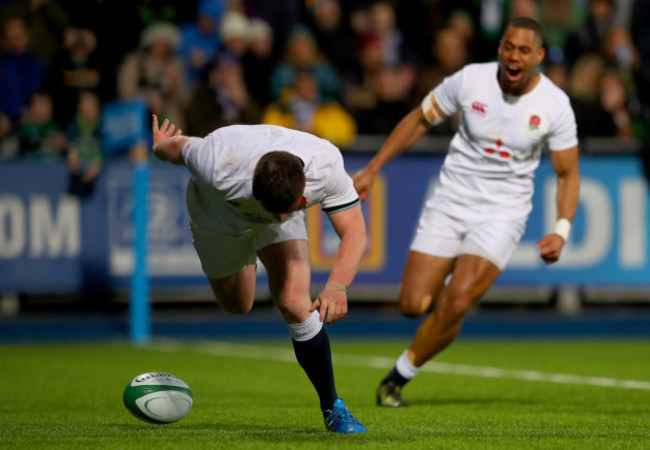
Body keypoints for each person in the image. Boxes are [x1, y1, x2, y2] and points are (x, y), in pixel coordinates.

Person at [352, 17, 580, 407]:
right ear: (500, 49)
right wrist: (373, 169)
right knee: (413, 305)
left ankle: (397, 378)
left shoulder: (555, 105)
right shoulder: (469, 80)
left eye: (524, 50)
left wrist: (561, 229)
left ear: (539, 56)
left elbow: (567, 174)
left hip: (502, 213)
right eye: (509, 46)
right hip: (450, 200)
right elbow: (420, 118)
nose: (514, 55)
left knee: (456, 301)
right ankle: (447, 300)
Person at [151, 115, 367, 433]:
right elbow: (175, 149)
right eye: (276, 207)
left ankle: (333, 406)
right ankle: (245, 257)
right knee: (238, 304)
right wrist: (158, 146)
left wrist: (337, 285)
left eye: (290, 207)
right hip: (218, 221)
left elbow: (355, 231)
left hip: (276, 227)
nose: (281, 215)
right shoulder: (216, 160)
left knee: (295, 303)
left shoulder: (325, 164)